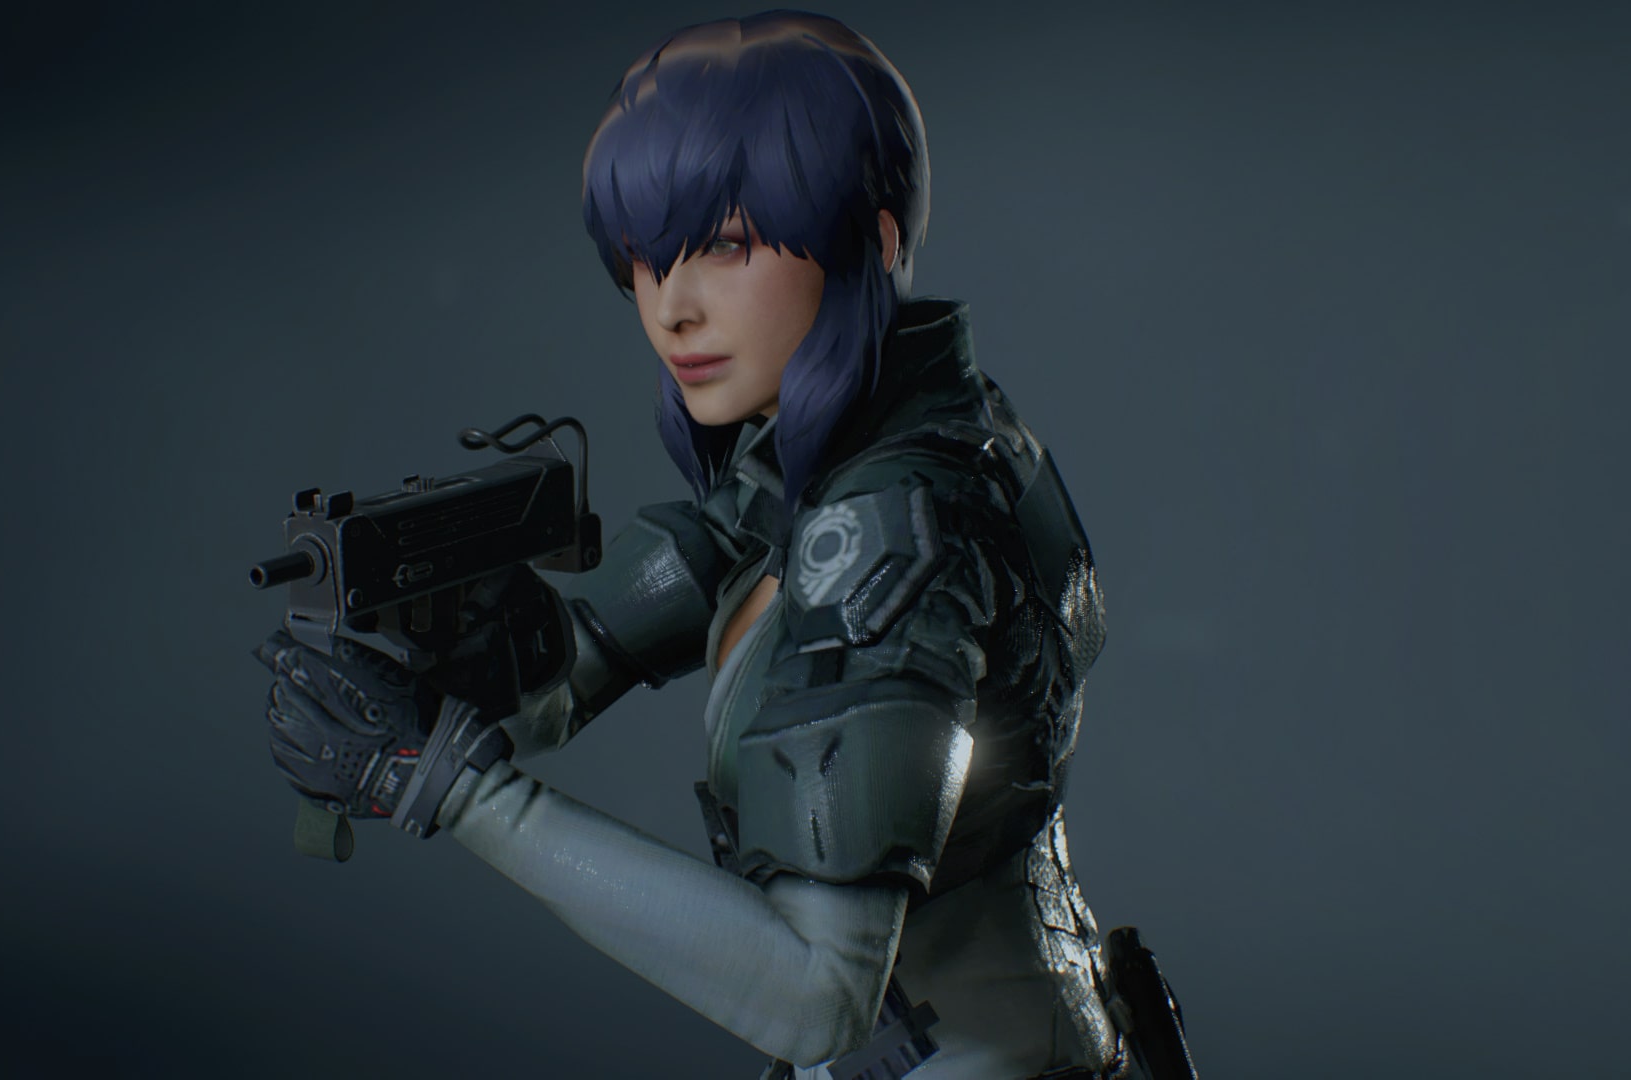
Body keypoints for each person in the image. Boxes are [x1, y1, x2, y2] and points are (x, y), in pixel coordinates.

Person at [257, 11, 1191, 1079]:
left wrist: (452, 787)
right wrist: (471, 645)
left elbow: (814, 996)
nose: (672, 308)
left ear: (877, 238)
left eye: (725, 245)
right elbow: (575, 665)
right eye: (645, 260)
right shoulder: (869, 444)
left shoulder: (895, 522)